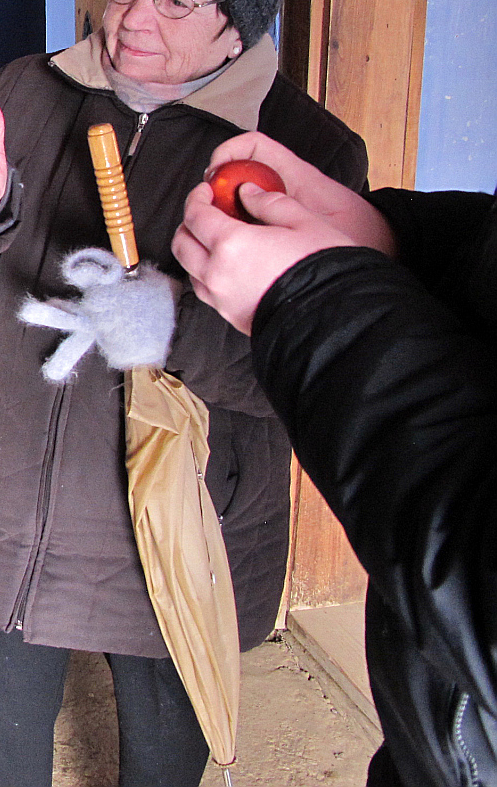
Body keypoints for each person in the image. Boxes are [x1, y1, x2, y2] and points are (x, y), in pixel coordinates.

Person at [0, 0, 369, 787]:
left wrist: (172, 329)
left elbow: (306, 374)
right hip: (7, 513)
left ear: (240, 25)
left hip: (175, 532)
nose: (132, 16)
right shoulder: (28, 91)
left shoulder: (302, 155)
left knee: (160, 761)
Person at [174, 134, 497, 787]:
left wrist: (316, 301)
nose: (132, 23)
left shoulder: (316, 131)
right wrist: (395, 245)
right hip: (431, 744)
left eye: (177, 17)